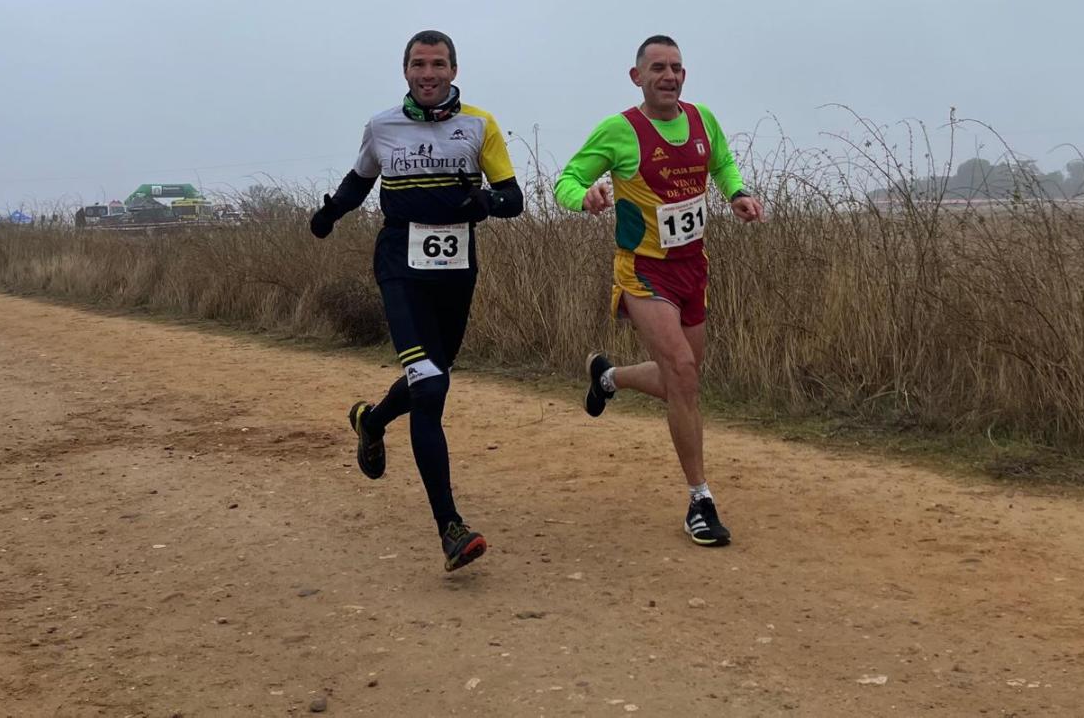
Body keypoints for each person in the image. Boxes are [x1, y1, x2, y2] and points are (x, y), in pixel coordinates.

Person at [310, 30, 524, 572]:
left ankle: (372, 421)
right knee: (430, 387)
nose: (429, 74)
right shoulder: (382, 126)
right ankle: (450, 527)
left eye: (438, 64)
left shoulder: (480, 125)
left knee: (433, 375)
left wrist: (485, 201)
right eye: (419, 65)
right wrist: (330, 214)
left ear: (454, 70)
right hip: (399, 266)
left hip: (456, 270)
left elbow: (514, 199)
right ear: (405, 71)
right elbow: (360, 180)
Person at [555, 35, 762, 547]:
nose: (669, 77)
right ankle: (700, 501)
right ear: (637, 77)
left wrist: (736, 193)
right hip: (644, 271)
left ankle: (609, 378)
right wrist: (587, 196)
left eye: (676, 68)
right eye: (658, 69)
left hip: (693, 268)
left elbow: (722, 164)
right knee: (683, 372)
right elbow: (567, 180)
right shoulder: (619, 130)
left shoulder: (702, 119)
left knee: (680, 383)